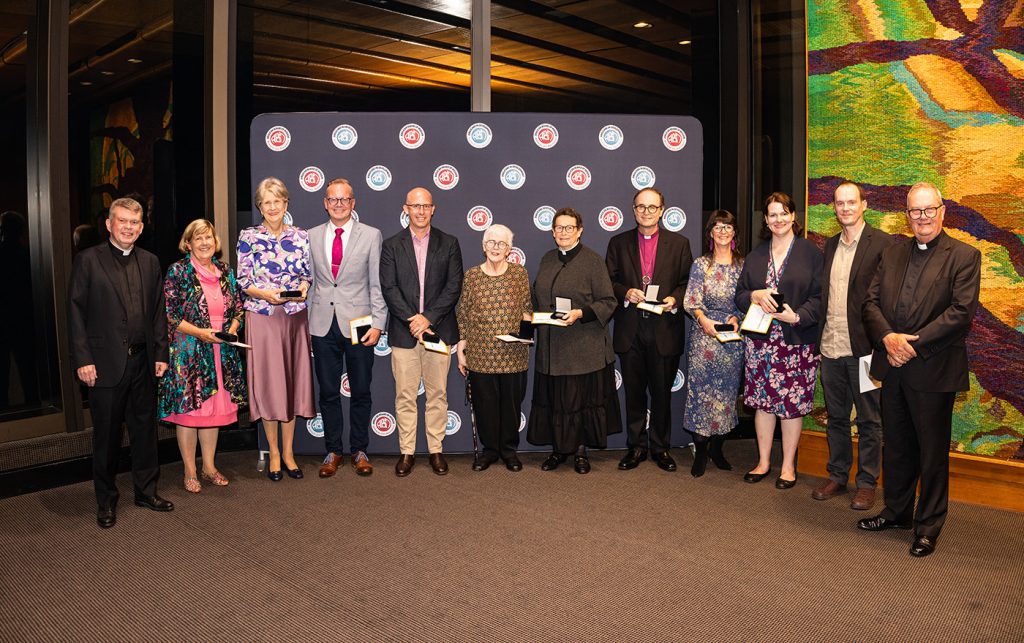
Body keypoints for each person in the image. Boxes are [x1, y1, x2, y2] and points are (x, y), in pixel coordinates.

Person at [859, 182, 981, 558]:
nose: (923, 218)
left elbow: (960, 313)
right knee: (895, 446)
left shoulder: (964, 255)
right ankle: (896, 512)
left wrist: (909, 344)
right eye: (915, 211)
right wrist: (888, 339)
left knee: (931, 452)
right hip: (892, 367)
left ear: (942, 212)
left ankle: (928, 526)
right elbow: (870, 303)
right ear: (906, 215)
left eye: (929, 210)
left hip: (933, 369)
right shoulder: (892, 254)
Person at [67, 197, 172, 528]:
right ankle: (106, 501)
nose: (128, 227)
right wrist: (83, 359)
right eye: (122, 221)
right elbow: (75, 313)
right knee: (107, 437)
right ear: (109, 224)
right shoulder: (88, 260)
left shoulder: (151, 261)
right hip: (104, 364)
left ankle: (145, 491)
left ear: (141, 228)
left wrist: (160, 353)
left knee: (144, 432)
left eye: (134, 222)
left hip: (143, 362)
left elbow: (158, 312)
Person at [812, 182, 892, 510]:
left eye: (851, 202)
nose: (845, 208)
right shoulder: (829, 246)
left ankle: (868, 482)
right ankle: (838, 474)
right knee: (837, 416)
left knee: (871, 420)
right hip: (830, 348)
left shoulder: (883, 244)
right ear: (834, 207)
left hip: (864, 352)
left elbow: (886, 299)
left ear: (864, 205)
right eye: (839, 203)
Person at [735, 192, 823, 489]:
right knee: (763, 404)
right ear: (766, 220)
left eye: (784, 213)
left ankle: (787, 467)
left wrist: (797, 317)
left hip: (796, 340)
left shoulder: (810, 253)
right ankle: (762, 462)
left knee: (791, 405)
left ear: (794, 217)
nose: (779, 219)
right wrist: (754, 295)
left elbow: (820, 297)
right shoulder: (756, 255)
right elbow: (740, 294)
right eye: (773, 215)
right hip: (760, 343)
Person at [527, 207, 621, 474]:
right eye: (559, 228)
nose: (563, 232)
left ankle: (580, 451)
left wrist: (581, 313)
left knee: (578, 402)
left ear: (580, 230)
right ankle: (559, 450)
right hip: (551, 347)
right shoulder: (547, 259)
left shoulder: (592, 261)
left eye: (569, 227)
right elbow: (538, 296)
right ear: (552, 231)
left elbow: (608, 301)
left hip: (583, 348)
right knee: (557, 402)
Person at [605, 188, 692, 472]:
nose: (646, 212)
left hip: (664, 329)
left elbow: (685, 282)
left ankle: (660, 448)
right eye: (641, 207)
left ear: (662, 210)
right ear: (633, 210)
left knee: (662, 394)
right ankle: (636, 447)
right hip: (631, 329)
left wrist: (675, 299)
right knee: (634, 394)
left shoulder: (679, 244)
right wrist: (625, 292)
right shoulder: (617, 243)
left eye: (652, 207)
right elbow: (609, 281)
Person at [380, 187, 464, 477]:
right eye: (415, 206)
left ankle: (436, 451)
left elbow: (454, 286)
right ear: (406, 208)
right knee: (405, 395)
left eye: (425, 206)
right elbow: (388, 288)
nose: (420, 211)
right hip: (404, 335)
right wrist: (412, 320)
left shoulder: (449, 243)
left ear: (433, 209)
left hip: (439, 332)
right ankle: (406, 452)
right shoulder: (392, 245)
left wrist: (427, 318)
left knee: (437, 394)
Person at [237, 177, 315, 482]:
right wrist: (266, 295)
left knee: (292, 383)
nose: (272, 207)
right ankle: (272, 453)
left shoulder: (300, 236)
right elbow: (244, 280)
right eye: (266, 202)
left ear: (286, 204)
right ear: (260, 206)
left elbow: (307, 274)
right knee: (270, 385)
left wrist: (304, 287)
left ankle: (289, 453)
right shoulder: (249, 236)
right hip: (263, 316)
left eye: (277, 201)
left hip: (294, 316)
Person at [308, 178, 387, 479]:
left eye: (344, 199)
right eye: (333, 199)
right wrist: (306, 325)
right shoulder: (312, 236)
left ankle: (360, 450)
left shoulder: (371, 235)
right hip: (322, 324)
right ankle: (333, 451)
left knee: (361, 390)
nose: (338, 204)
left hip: (360, 323)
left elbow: (376, 283)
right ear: (325, 203)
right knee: (328, 392)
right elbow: (312, 284)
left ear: (353, 203)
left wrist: (379, 323)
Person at [159, 219, 245, 492]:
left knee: (213, 412)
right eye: (198, 238)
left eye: (209, 237)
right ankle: (190, 470)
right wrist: (200, 333)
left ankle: (208, 466)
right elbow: (170, 315)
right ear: (188, 244)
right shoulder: (178, 271)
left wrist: (232, 327)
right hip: (190, 353)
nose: (205, 243)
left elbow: (238, 309)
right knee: (191, 413)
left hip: (221, 352)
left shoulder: (225, 270)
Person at [456, 224, 532, 472]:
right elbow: (464, 314)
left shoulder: (519, 274)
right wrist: (461, 347)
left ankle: (509, 451)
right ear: (483, 246)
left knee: (511, 405)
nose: (496, 248)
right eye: (491, 242)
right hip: (481, 353)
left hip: (513, 355)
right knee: (485, 404)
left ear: (509, 249)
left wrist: (527, 337)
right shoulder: (472, 276)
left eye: (502, 244)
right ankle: (489, 451)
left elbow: (527, 310)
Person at [683, 210, 744, 477]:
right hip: (704, 339)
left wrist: (737, 317)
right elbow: (691, 300)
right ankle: (701, 450)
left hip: (731, 340)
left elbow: (748, 300)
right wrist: (703, 320)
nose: (722, 231)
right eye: (717, 227)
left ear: (734, 233)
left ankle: (718, 449)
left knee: (726, 396)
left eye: (727, 227)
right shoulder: (700, 264)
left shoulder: (743, 265)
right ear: (710, 233)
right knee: (701, 394)